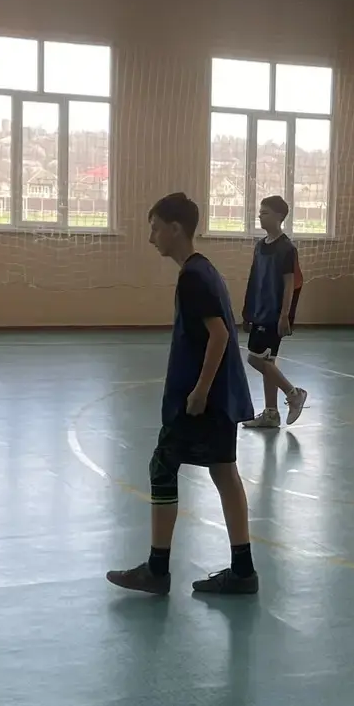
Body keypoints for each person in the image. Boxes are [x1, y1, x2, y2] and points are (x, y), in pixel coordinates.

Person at [107, 192, 260, 596]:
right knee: (224, 472)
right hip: (222, 398)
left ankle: (157, 570)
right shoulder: (204, 270)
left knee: (162, 466)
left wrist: (199, 391)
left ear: (175, 229)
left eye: (156, 229)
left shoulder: (193, 276)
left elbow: (219, 335)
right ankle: (243, 571)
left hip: (203, 400)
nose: (151, 237)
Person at [240, 194, 308, 430]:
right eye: (260, 212)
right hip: (259, 311)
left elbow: (289, 284)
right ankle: (271, 414)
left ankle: (294, 393)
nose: (260, 216)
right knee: (267, 360)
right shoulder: (260, 246)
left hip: (274, 314)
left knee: (255, 358)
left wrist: (284, 315)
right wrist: (248, 311)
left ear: (279, 216)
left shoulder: (286, 248)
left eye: (265, 212)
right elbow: (254, 279)